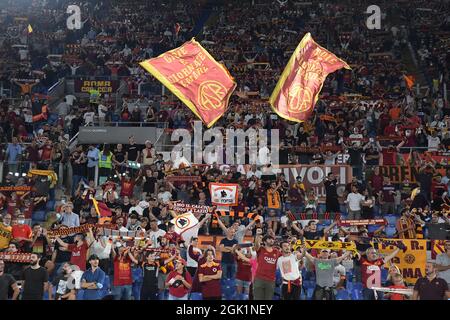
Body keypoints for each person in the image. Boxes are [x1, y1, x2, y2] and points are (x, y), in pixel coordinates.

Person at [253, 234, 281, 300]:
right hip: (259, 278)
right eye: (269, 239)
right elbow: (256, 245)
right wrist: (257, 237)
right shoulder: (261, 249)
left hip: (271, 280)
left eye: (272, 239)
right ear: (265, 242)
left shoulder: (276, 252)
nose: (272, 240)